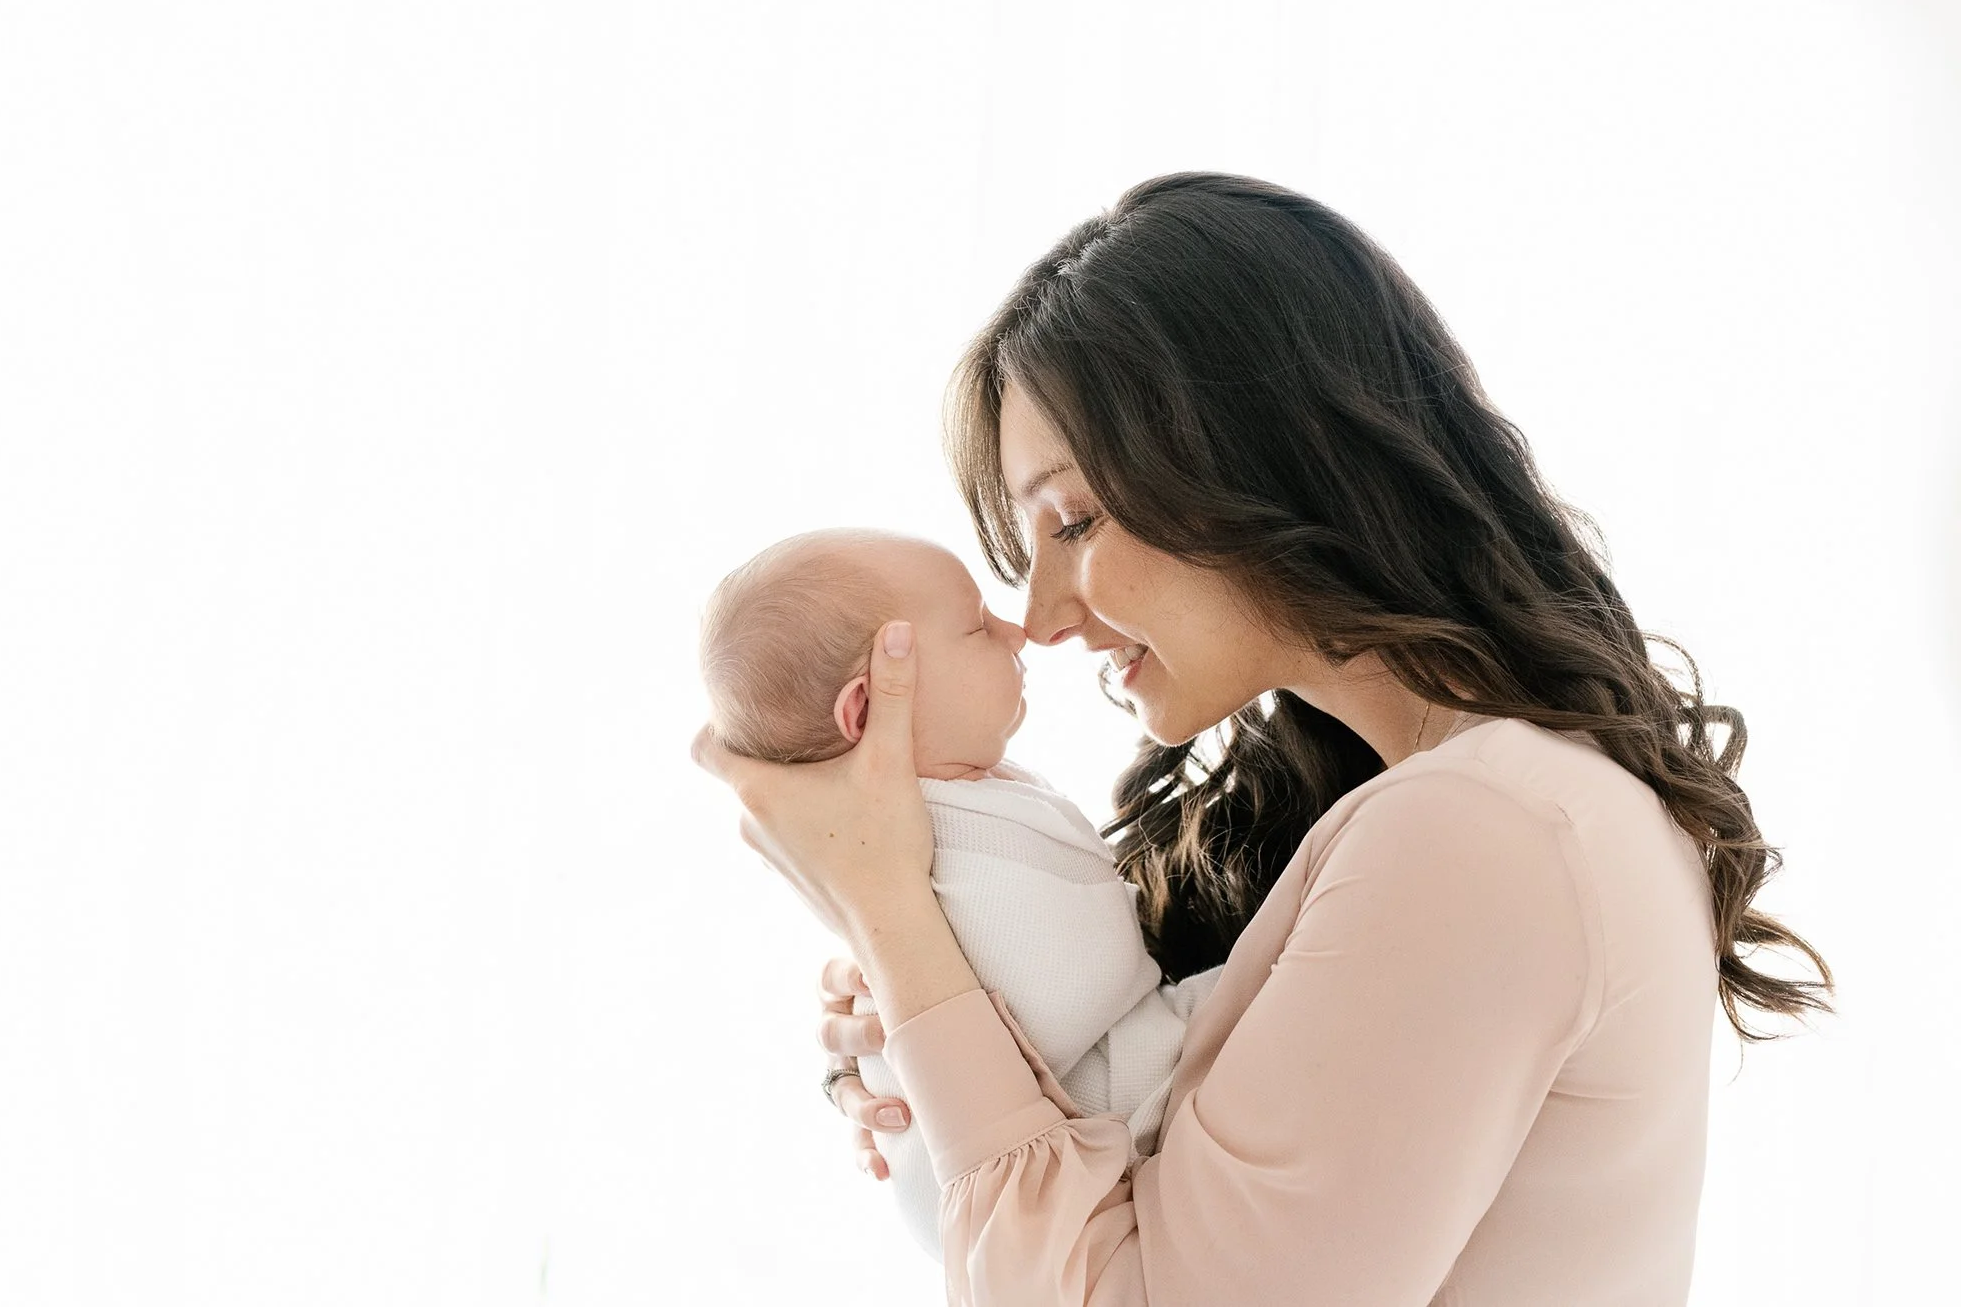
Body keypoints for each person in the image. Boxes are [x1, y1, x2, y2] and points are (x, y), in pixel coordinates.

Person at [689, 171, 1835, 1305]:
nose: (1038, 616)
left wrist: (892, 919)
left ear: (1252, 459)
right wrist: (933, 1025)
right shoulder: (1440, 811)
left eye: (1073, 519)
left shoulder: (1476, 834)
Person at [696, 526, 1223, 1262]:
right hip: (1068, 1174)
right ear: (872, 707)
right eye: (977, 625)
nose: (1019, 632)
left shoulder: (957, 809)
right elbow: (1049, 1001)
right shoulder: (937, 838)